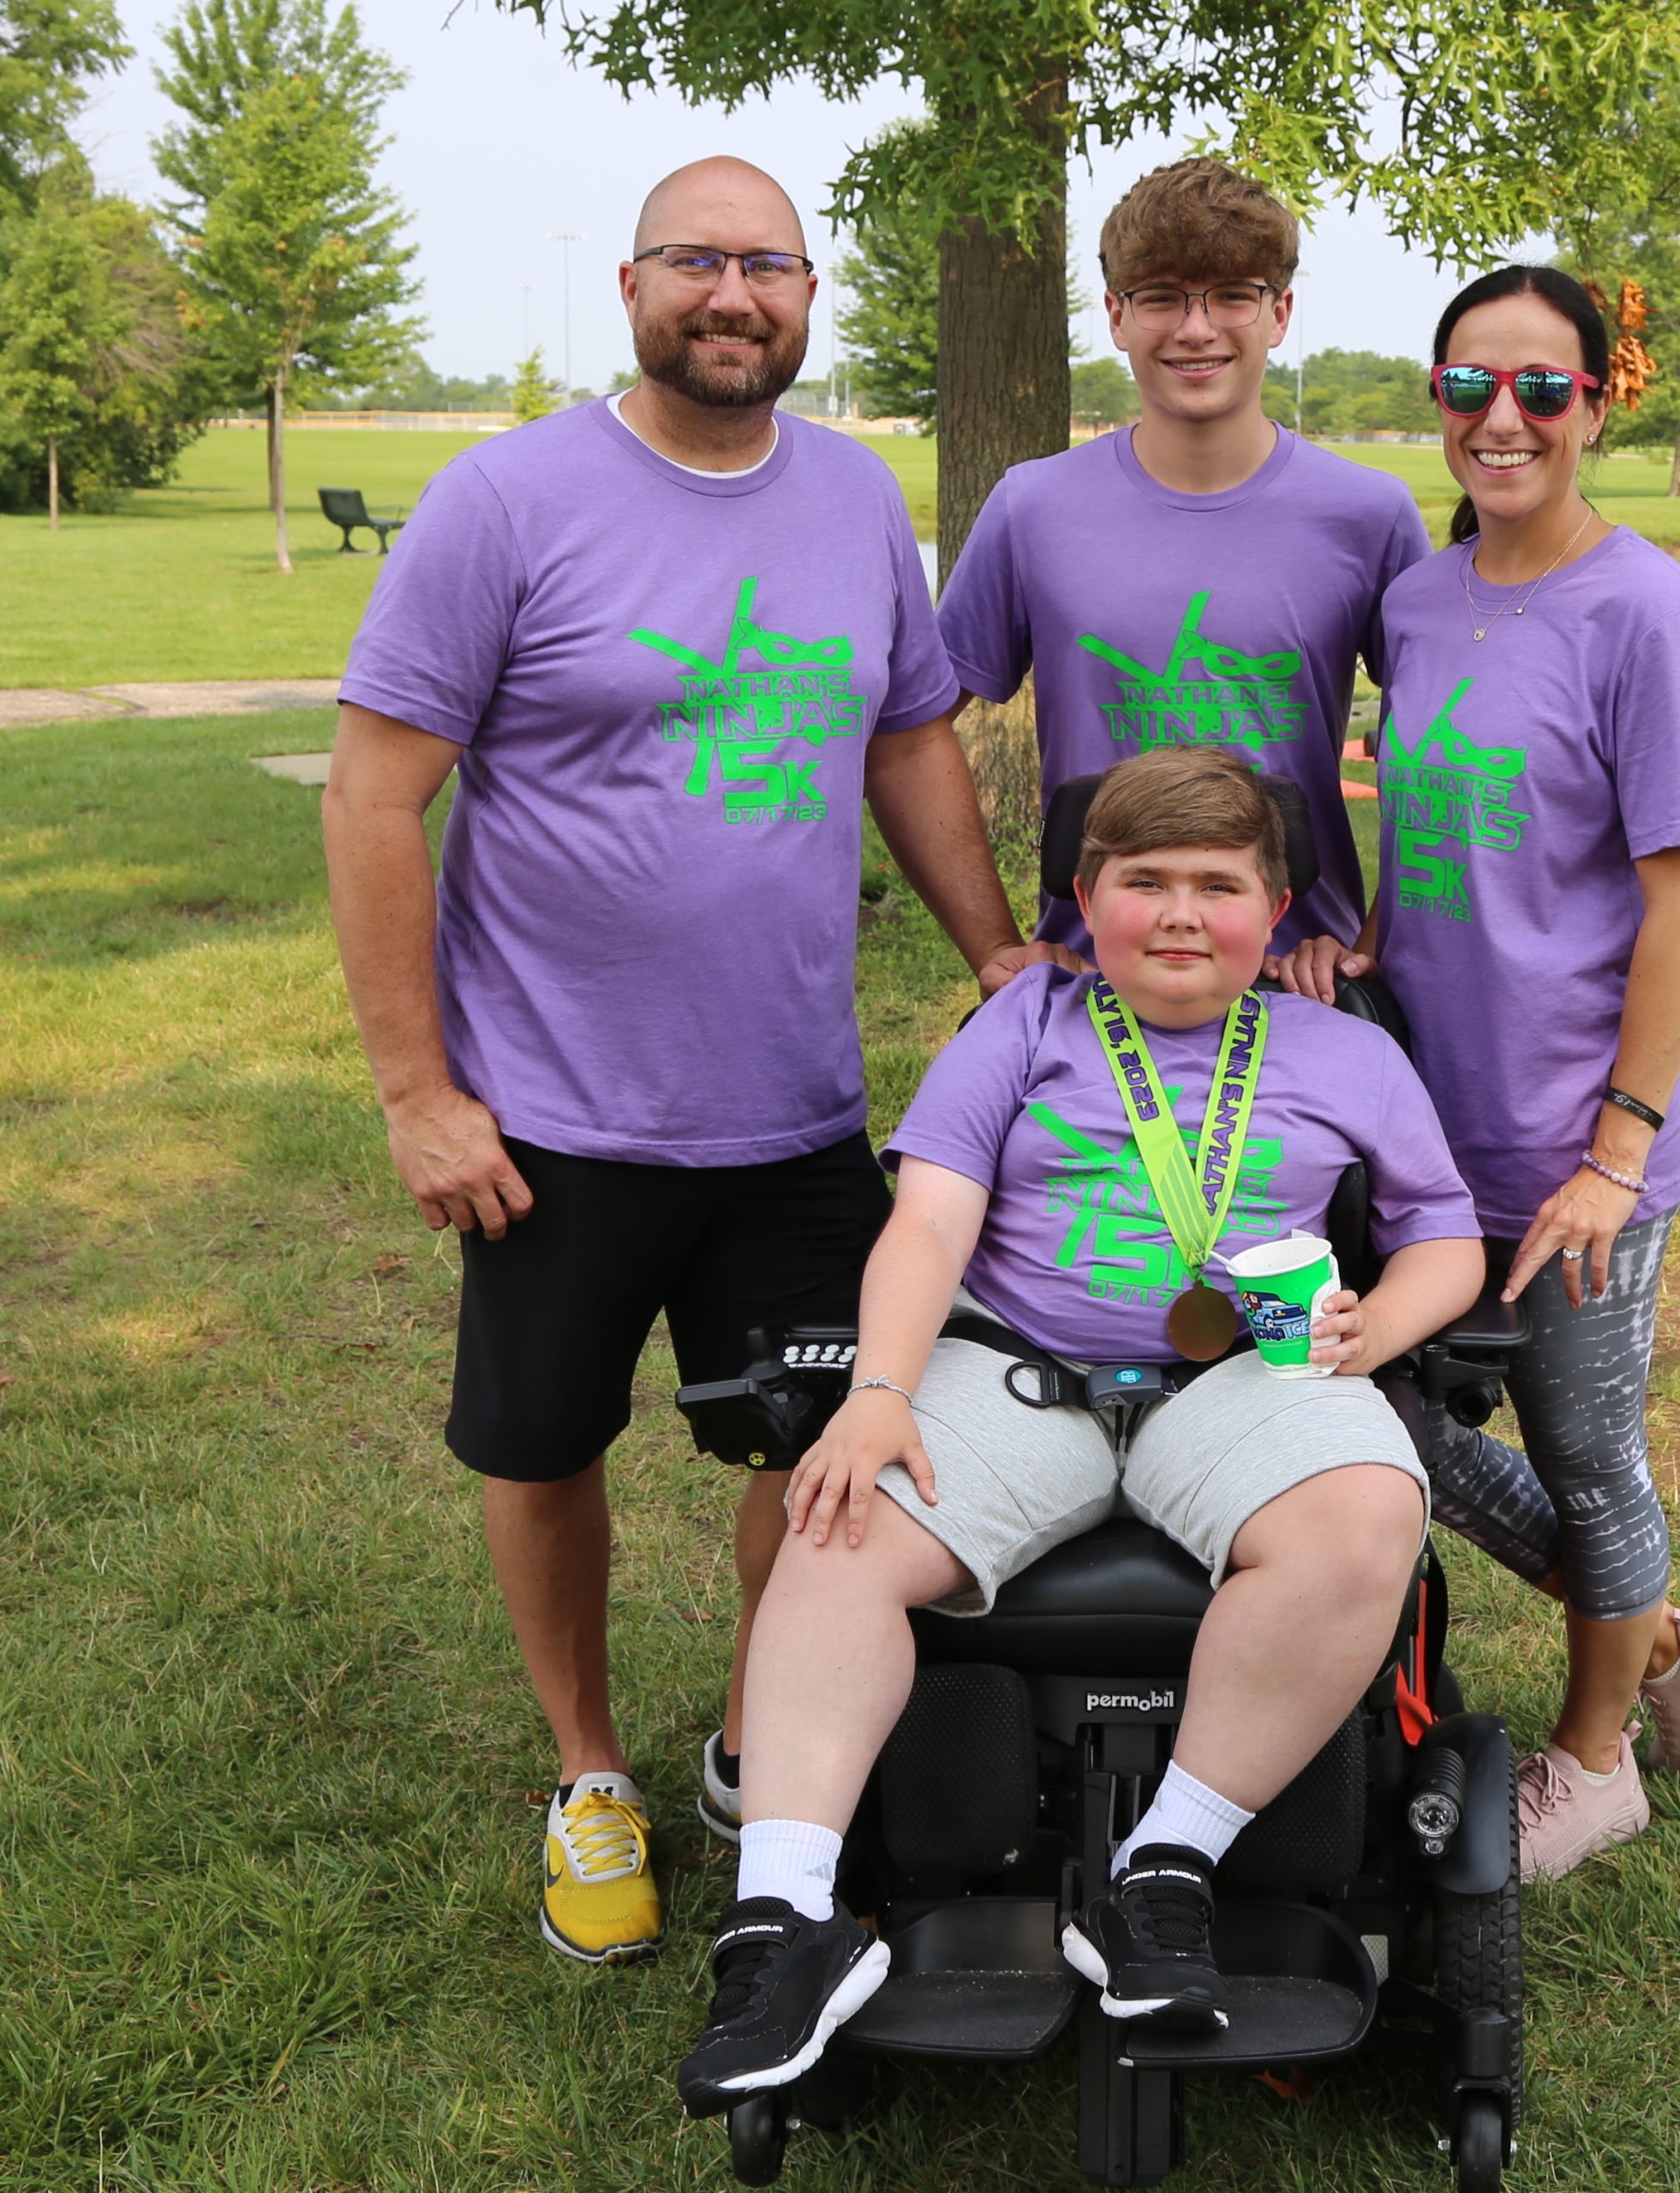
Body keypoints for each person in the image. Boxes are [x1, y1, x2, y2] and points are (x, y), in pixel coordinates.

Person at [323, 157, 1066, 1969]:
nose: (733, 296)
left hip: (795, 1111)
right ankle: (587, 1768)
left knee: (817, 1445)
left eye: (768, 267)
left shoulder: (848, 494)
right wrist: (420, 1090)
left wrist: (989, 949)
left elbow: (902, 742)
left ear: (805, 296)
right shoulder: (505, 503)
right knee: (542, 1442)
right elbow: (372, 794)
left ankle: (753, 1731)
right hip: (553, 1118)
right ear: (636, 287)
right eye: (696, 264)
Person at [676, 746, 1486, 2106]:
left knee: (1366, 1520)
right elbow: (928, 1219)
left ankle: (1158, 1875)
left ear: (1274, 908)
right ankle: (785, 1922)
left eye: (1217, 885)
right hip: (1018, 1368)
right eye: (1144, 882)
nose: (1180, 914)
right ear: (1084, 899)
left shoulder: (1347, 1053)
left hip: (1245, 1376)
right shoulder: (1024, 1029)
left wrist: (1377, 1329)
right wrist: (877, 1395)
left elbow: (1445, 1240)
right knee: (838, 1519)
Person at [1276, 266, 1680, 1880]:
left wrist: (1616, 1147)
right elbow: (1438, 845)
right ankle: (1674, 1636)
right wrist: (1344, 947)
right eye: (1467, 385)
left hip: (1576, 1136)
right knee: (1388, 1427)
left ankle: (1592, 1753)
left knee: (1580, 1454)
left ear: (1593, 405)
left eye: (1538, 389)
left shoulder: (1641, 609)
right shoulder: (1419, 600)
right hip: (1427, 1122)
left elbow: (1679, 899)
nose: (1499, 418)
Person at [935, 157, 1432, 959]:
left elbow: (1447, 757)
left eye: (1234, 294)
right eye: (1160, 297)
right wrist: (993, 943)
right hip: (1096, 983)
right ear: (1116, 315)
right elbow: (914, 734)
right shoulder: (1033, 508)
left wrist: (1366, 945)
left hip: (1298, 981)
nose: (1195, 330)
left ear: (1280, 312)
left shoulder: (1368, 516)